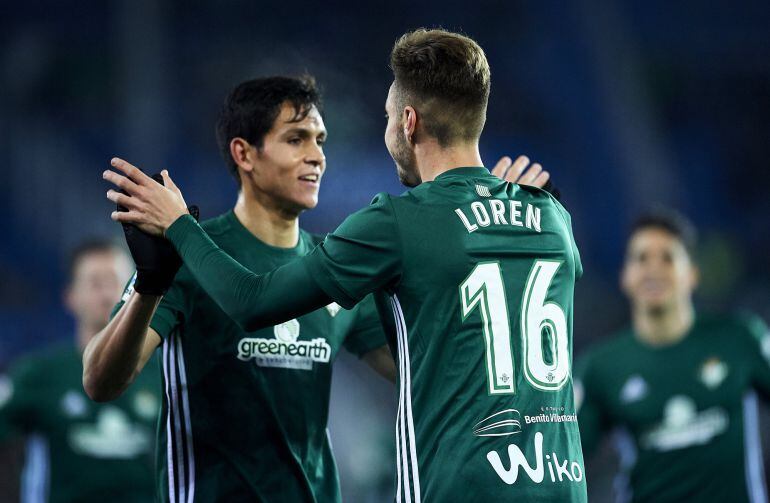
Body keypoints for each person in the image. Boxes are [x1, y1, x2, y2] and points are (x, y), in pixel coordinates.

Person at [103, 28, 585, 502]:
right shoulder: (551, 216)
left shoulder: (396, 223)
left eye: (387, 116)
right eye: (297, 139)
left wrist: (177, 226)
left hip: (460, 487)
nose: (317, 156)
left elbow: (254, 302)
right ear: (243, 154)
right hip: (562, 482)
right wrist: (478, 225)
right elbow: (450, 344)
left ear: (409, 123)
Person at [574, 210, 770, 503]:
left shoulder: (741, 338)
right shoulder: (600, 367)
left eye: (667, 257)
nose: (653, 269)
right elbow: (562, 456)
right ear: (625, 276)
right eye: (641, 258)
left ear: (692, 273)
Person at [0, 240, 160, 503]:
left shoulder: (162, 372)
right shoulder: (41, 373)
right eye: (96, 284)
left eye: (117, 282)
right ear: (70, 297)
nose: (108, 295)